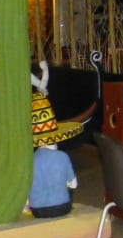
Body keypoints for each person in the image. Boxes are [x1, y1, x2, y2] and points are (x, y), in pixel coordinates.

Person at [27, 61, 83, 218]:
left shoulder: (30, 160)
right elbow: (74, 184)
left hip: (37, 210)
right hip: (61, 207)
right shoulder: (62, 156)